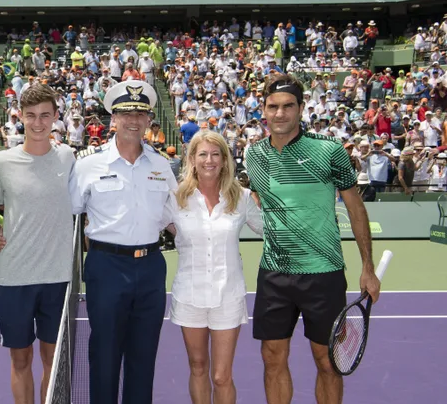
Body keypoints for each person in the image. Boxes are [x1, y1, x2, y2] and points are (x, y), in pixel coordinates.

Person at [245, 74, 381, 404]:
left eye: (288, 106)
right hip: (274, 274)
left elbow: (355, 208)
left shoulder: (329, 151)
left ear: (301, 108)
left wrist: (367, 268)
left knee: (328, 362)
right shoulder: (254, 156)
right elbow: (262, 203)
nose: (280, 114)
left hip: (324, 274)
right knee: (272, 359)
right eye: (273, 107)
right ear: (263, 110)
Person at [70, 80, 177, 404]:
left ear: (149, 120)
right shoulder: (88, 165)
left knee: (144, 356)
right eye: (125, 113)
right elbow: (69, 215)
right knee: (104, 354)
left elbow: (176, 219)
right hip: (107, 266)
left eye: (140, 114)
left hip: (150, 267)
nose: (133, 120)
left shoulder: (162, 166)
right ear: (113, 118)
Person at [0, 84, 76, 404]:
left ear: (55, 118)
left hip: (58, 276)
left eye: (45, 116)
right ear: (21, 117)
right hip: (15, 276)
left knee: (53, 361)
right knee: (20, 361)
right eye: (31, 116)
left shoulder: (68, 157)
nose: (38, 123)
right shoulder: (2, 161)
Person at [162, 130, 262, 404]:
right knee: (197, 367)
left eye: (216, 154)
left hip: (228, 296)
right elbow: (153, 225)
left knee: (221, 376)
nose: (209, 160)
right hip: (189, 295)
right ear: (192, 159)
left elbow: (269, 229)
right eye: (203, 154)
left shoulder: (241, 198)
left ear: (225, 160)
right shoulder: (175, 197)